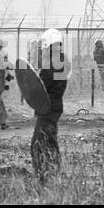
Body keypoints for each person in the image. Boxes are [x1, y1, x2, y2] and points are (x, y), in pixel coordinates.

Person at [31, 28, 70, 184]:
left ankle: (43, 177)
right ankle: (54, 174)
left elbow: (41, 86)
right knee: (51, 141)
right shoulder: (62, 59)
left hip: (47, 107)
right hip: (55, 106)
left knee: (37, 144)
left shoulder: (52, 63)